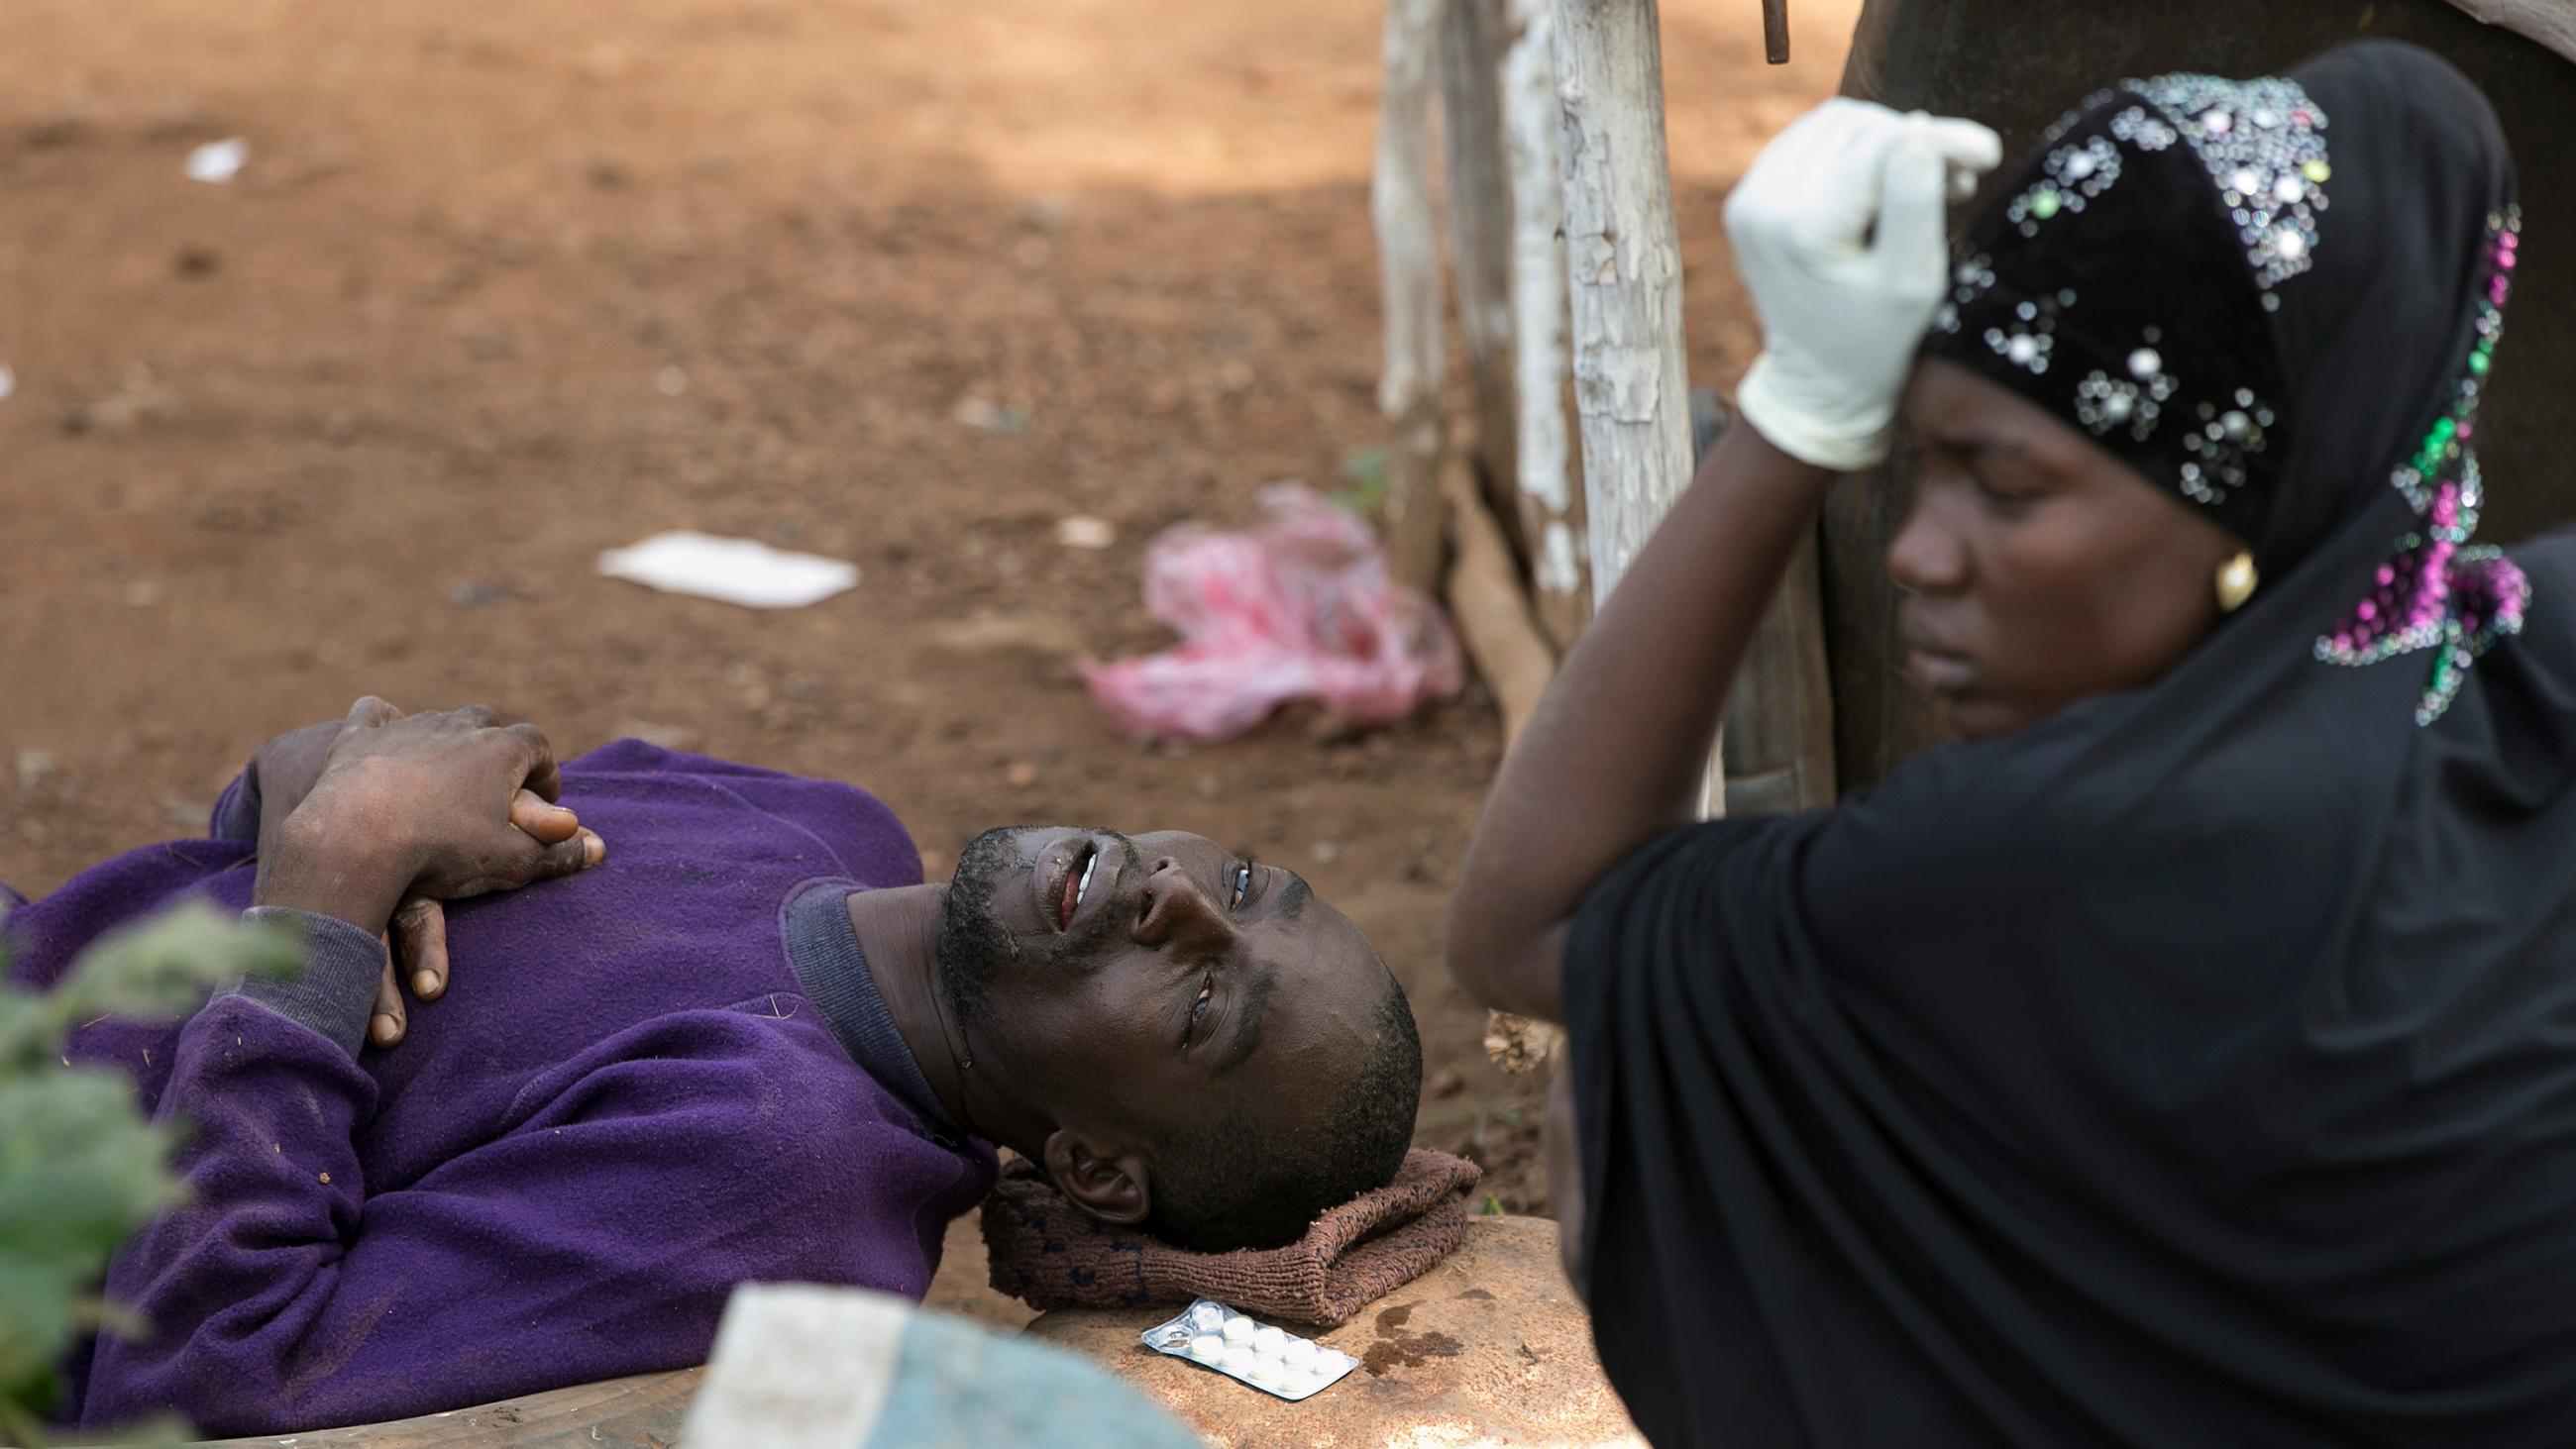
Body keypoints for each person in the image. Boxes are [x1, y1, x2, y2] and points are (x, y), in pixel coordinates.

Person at [1449, 42, 2576, 1448]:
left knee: (1661, 1055)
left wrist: (1798, 414)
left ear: (2246, 520)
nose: (1918, 550)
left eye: (2008, 487)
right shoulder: (2532, 659)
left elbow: (1533, 920)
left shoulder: (2055, 854)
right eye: (1918, 466)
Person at [5, 700, 1422, 1437]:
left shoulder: (772, 1182)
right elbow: (278, 870)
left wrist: (322, 896)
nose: (1180, 903)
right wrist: (306, 795)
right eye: (1242, 878)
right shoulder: (822, 823)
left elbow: (199, 1389)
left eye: (1198, 1008)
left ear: (1099, 1167)